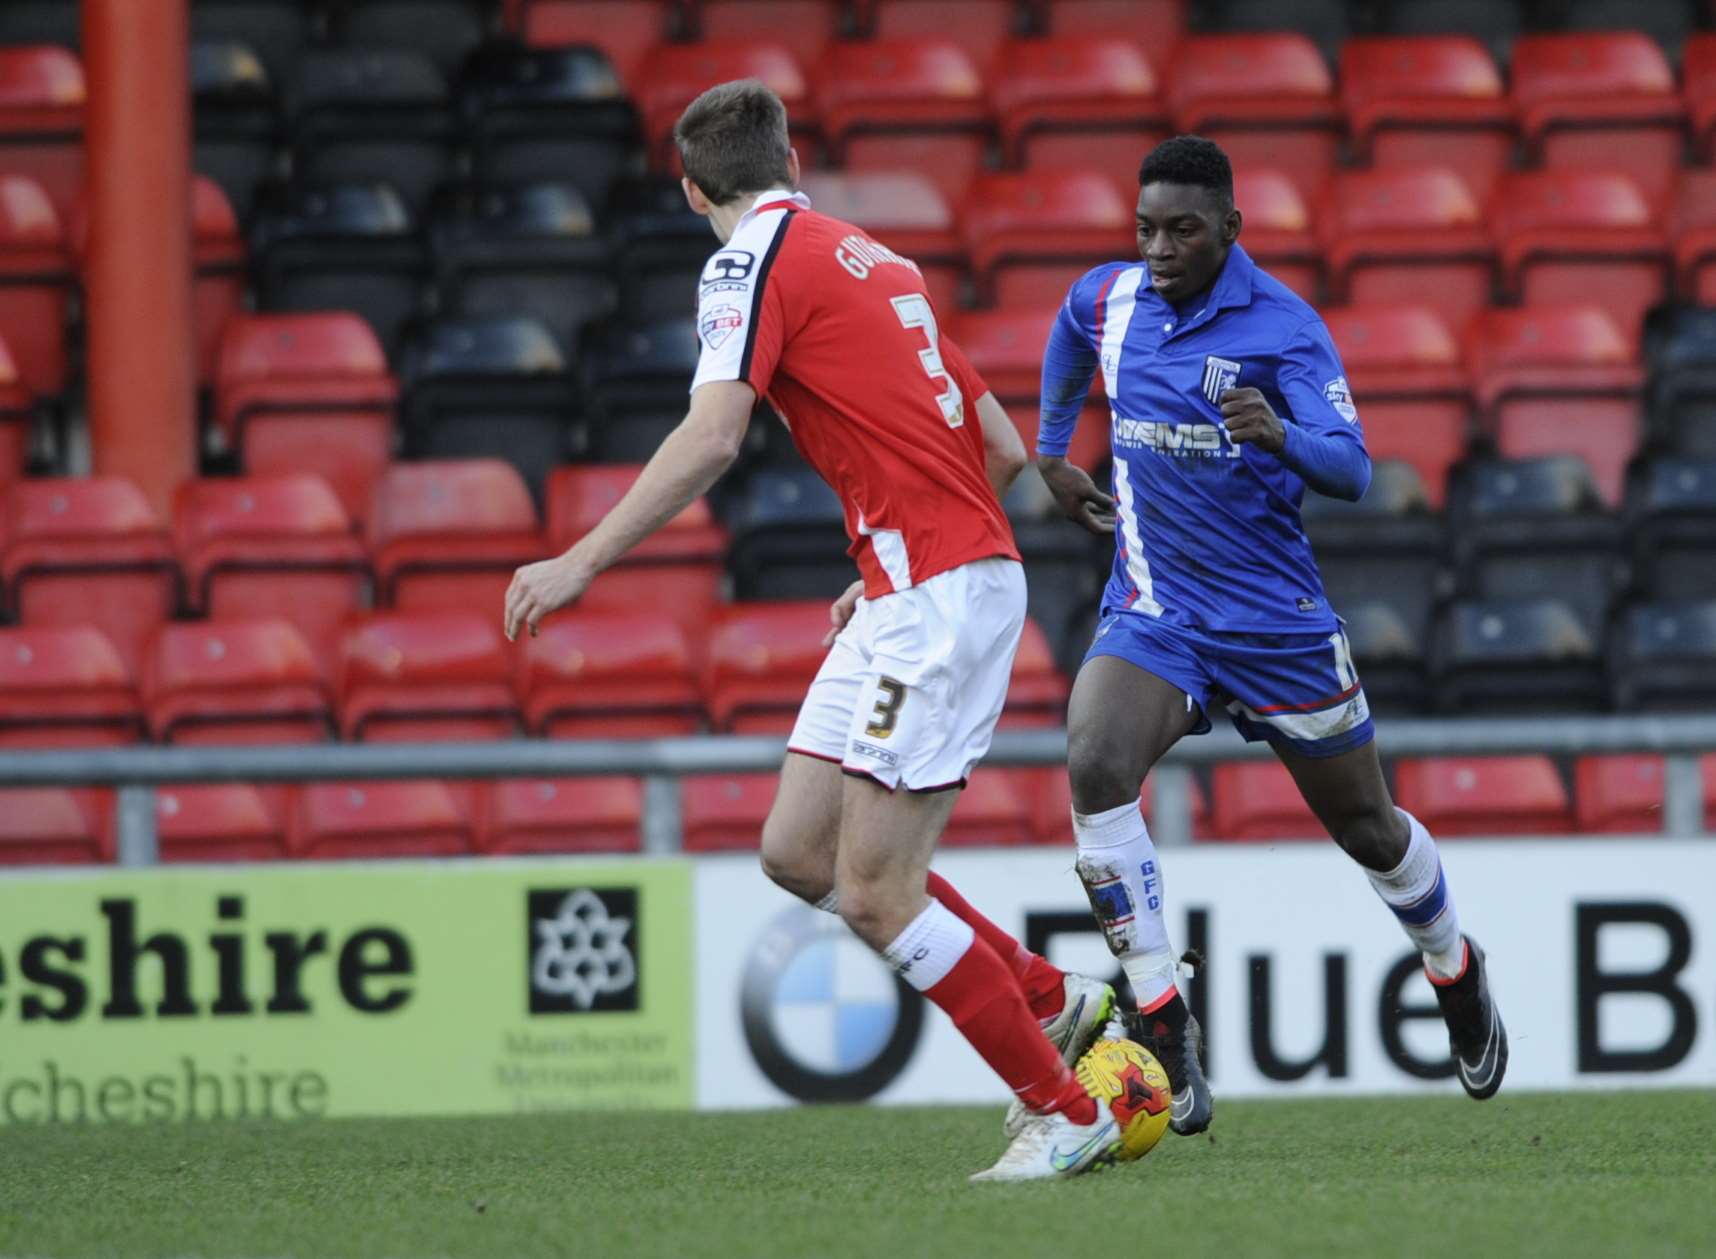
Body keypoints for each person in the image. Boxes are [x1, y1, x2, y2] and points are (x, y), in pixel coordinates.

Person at [503, 79, 1117, 1181]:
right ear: (790, 160)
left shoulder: (744, 262)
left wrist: (580, 557)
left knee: (879, 892)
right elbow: (1005, 449)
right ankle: (1050, 993)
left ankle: (1064, 1106)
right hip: (907, 584)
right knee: (798, 851)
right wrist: (884, 548)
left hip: (930, 596)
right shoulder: (877, 260)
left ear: (693, 187)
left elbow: (712, 434)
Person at [1034, 136, 1509, 1135]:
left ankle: (1454, 967)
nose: (1158, 248)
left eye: (1182, 230)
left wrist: (1281, 434)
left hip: (1275, 625)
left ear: (1230, 231)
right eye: (1146, 227)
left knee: (1369, 831)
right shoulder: (1112, 297)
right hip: (1158, 611)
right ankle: (1164, 1018)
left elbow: (1352, 467)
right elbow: (1069, 335)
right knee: (1093, 759)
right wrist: (1050, 451)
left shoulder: (1282, 329)